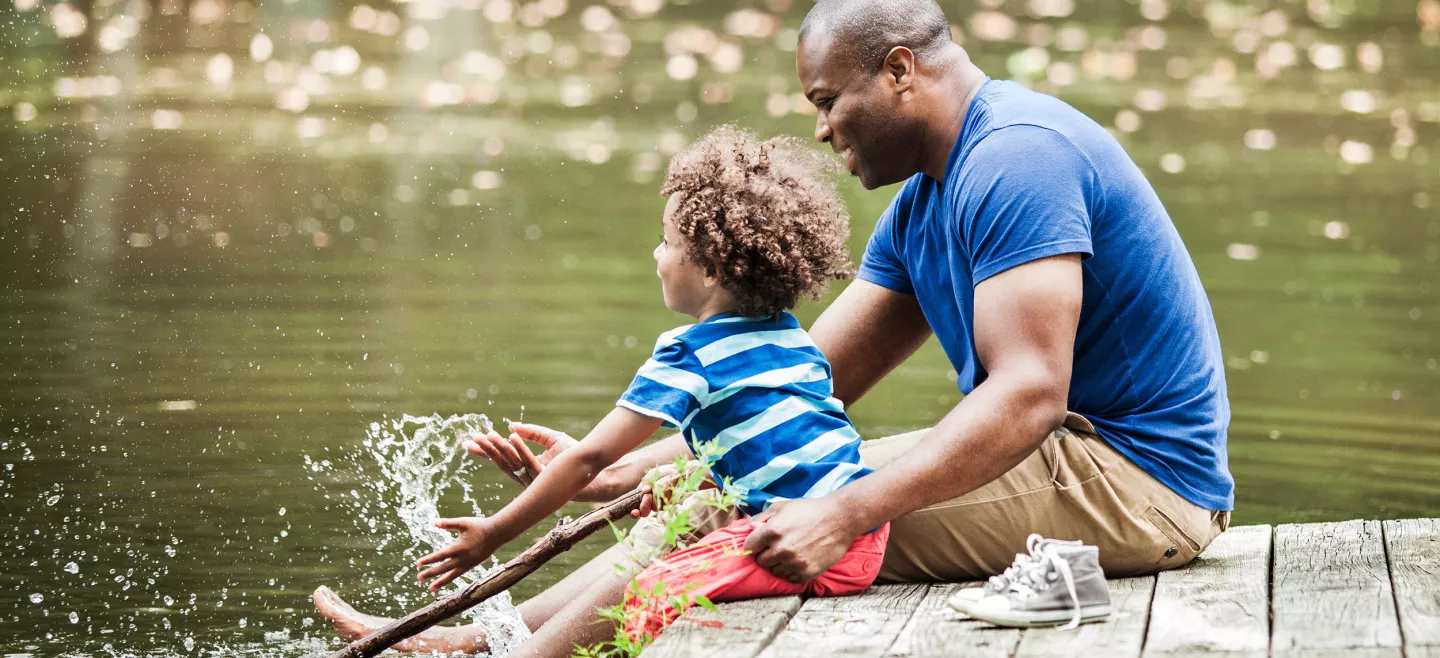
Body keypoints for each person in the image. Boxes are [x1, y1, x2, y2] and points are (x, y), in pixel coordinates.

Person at [315, 0, 1235, 652]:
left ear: (901, 71)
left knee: (740, 517)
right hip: (1066, 458)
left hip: (1136, 482)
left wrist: (843, 510)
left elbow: (1031, 394)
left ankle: (489, 650)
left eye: (828, 101)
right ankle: (486, 641)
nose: (826, 131)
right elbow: (804, 386)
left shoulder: (1018, 160)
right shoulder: (927, 203)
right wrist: (624, 469)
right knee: (711, 495)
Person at [317, 126, 888, 654]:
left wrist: (492, 533)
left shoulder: (691, 354)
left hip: (819, 547)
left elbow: (591, 458)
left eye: (666, 242)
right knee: (683, 518)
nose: (656, 255)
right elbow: (791, 445)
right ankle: (462, 641)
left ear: (713, 269)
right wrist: (702, 477)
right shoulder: (790, 339)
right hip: (857, 530)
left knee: (651, 585)